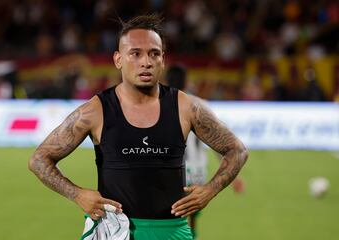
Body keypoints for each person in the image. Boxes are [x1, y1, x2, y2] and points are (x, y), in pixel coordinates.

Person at [28, 14, 248, 240]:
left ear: (163, 59)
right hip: (113, 231)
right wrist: (77, 194)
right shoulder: (95, 110)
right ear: (118, 59)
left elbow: (237, 150)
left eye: (154, 53)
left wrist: (210, 191)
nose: (146, 62)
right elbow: (39, 159)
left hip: (171, 232)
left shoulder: (186, 107)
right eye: (135, 53)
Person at [166, 64, 246, 239]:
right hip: (198, 171)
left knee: (173, 215)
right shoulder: (199, 105)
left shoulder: (160, 104)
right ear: (187, 81)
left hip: (174, 172)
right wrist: (234, 177)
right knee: (193, 214)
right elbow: (221, 144)